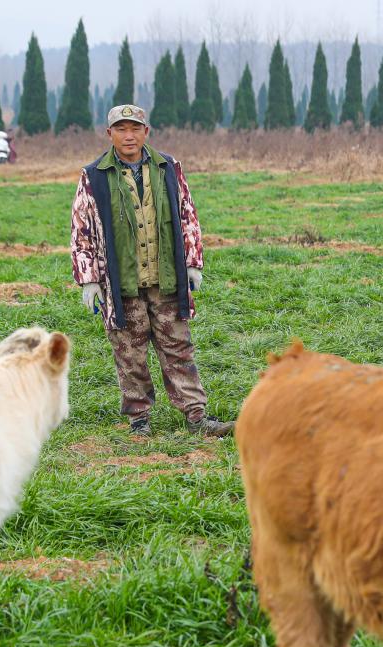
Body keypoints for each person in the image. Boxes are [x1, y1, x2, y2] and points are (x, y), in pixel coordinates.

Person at [70, 104, 233, 437]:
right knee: (129, 352)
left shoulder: (169, 168)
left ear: (146, 132)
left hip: (166, 277)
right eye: (121, 129)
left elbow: (188, 215)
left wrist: (192, 262)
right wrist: (88, 280)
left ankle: (196, 416)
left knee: (178, 347)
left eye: (135, 128)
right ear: (110, 134)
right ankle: (139, 419)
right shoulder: (94, 176)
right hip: (121, 282)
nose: (128, 136)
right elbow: (81, 228)